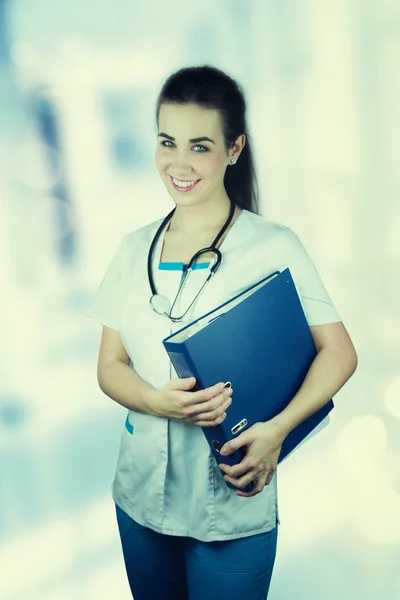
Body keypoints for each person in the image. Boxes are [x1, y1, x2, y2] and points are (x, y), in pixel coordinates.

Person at [87, 65, 358, 600]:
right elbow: (109, 365)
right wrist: (153, 400)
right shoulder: (131, 247)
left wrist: (277, 431)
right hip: (140, 498)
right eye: (167, 142)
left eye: (200, 146)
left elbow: (340, 353)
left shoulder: (272, 246)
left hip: (231, 501)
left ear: (234, 150)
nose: (178, 164)